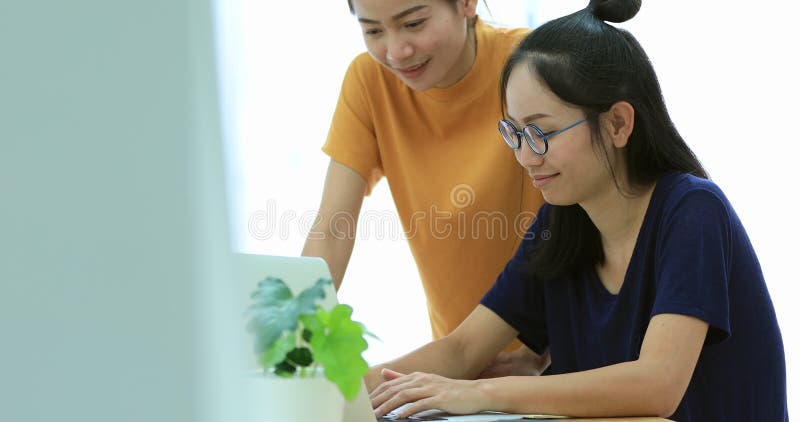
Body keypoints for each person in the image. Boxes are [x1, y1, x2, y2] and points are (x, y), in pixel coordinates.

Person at [366, 0, 788, 420]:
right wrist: (328, 391)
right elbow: (461, 349)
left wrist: (485, 392)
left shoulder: (692, 211)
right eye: (514, 133)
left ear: (618, 124)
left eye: (541, 132)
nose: (526, 157)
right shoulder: (562, 220)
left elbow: (657, 385)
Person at [302, 0, 549, 376]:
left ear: (466, 4)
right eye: (372, 31)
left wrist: (547, 350)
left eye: (413, 24)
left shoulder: (531, 64)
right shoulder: (370, 82)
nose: (396, 51)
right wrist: (292, 351)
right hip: (457, 367)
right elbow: (332, 229)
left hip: (555, 359)